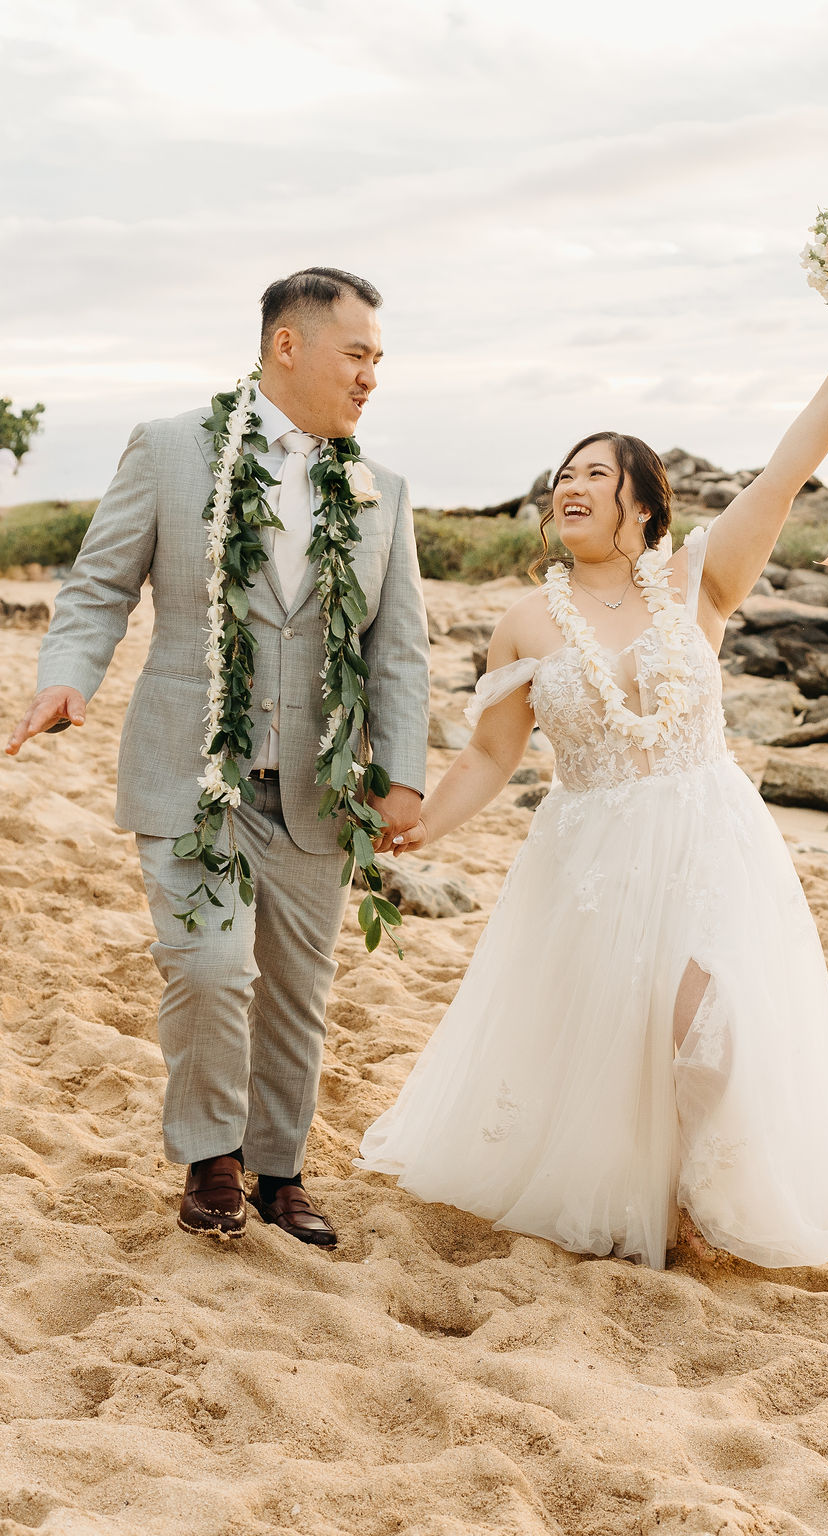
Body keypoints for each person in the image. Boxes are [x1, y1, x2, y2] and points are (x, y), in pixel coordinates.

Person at [354, 321, 828, 1271]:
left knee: (708, 1017)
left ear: (645, 507)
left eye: (596, 476)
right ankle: (647, 1196)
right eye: (563, 476)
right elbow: (491, 755)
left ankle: (701, 1190)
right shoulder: (526, 620)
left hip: (706, 835)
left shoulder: (699, 582)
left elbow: (778, 477)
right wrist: (420, 826)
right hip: (590, 853)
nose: (570, 487)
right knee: (617, 1043)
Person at [6, 267, 430, 1247]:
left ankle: (279, 1171)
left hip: (319, 788)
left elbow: (397, 651)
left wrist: (399, 773)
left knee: (294, 988)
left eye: (379, 359)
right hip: (194, 774)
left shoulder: (383, 493)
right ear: (290, 344)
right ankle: (211, 1156)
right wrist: (65, 676)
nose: (372, 376)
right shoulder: (168, 452)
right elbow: (97, 587)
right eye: (356, 354)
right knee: (208, 965)